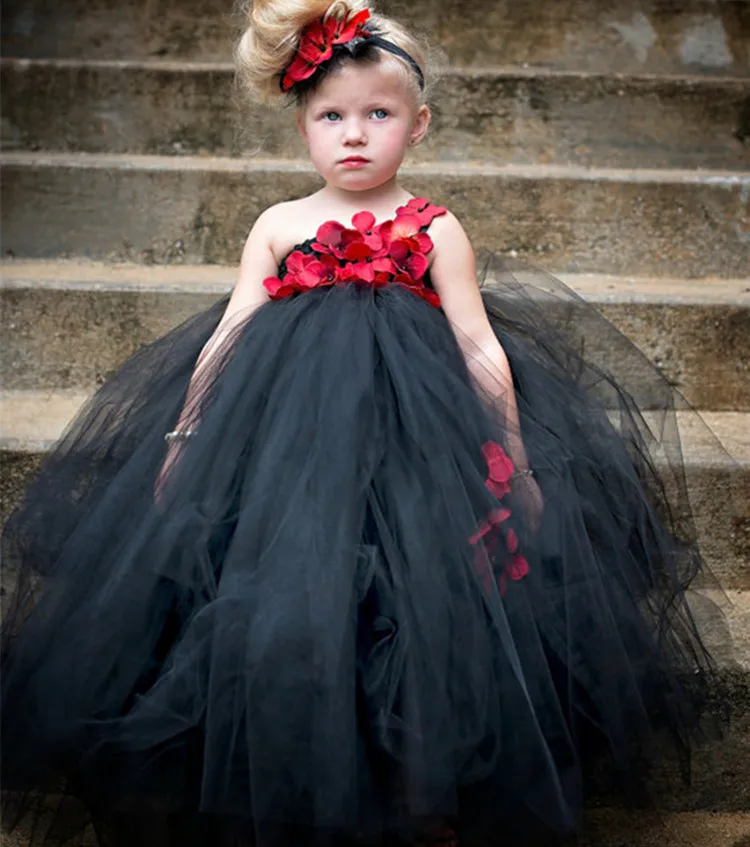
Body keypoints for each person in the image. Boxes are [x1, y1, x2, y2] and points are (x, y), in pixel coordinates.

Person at [0, 1, 725, 845]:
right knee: (279, 590)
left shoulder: (435, 226)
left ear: (418, 126)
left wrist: (516, 459)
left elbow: (478, 344)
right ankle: (277, 776)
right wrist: (184, 437)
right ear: (302, 125)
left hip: (419, 450)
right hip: (287, 452)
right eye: (331, 116)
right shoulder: (279, 224)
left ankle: (425, 791)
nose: (354, 135)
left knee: (422, 608)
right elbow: (230, 336)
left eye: (377, 114)